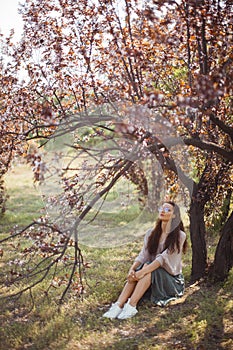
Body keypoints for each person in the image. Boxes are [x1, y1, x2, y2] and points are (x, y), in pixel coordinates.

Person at [103, 201, 187, 320]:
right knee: (141, 267)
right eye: (161, 208)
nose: (162, 211)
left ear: (174, 215)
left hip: (171, 279)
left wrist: (141, 272)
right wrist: (132, 270)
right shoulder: (151, 233)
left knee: (147, 269)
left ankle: (131, 306)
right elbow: (143, 255)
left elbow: (162, 260)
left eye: (168, 210)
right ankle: (118, 305)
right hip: (150, 272)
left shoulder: (179, 236)